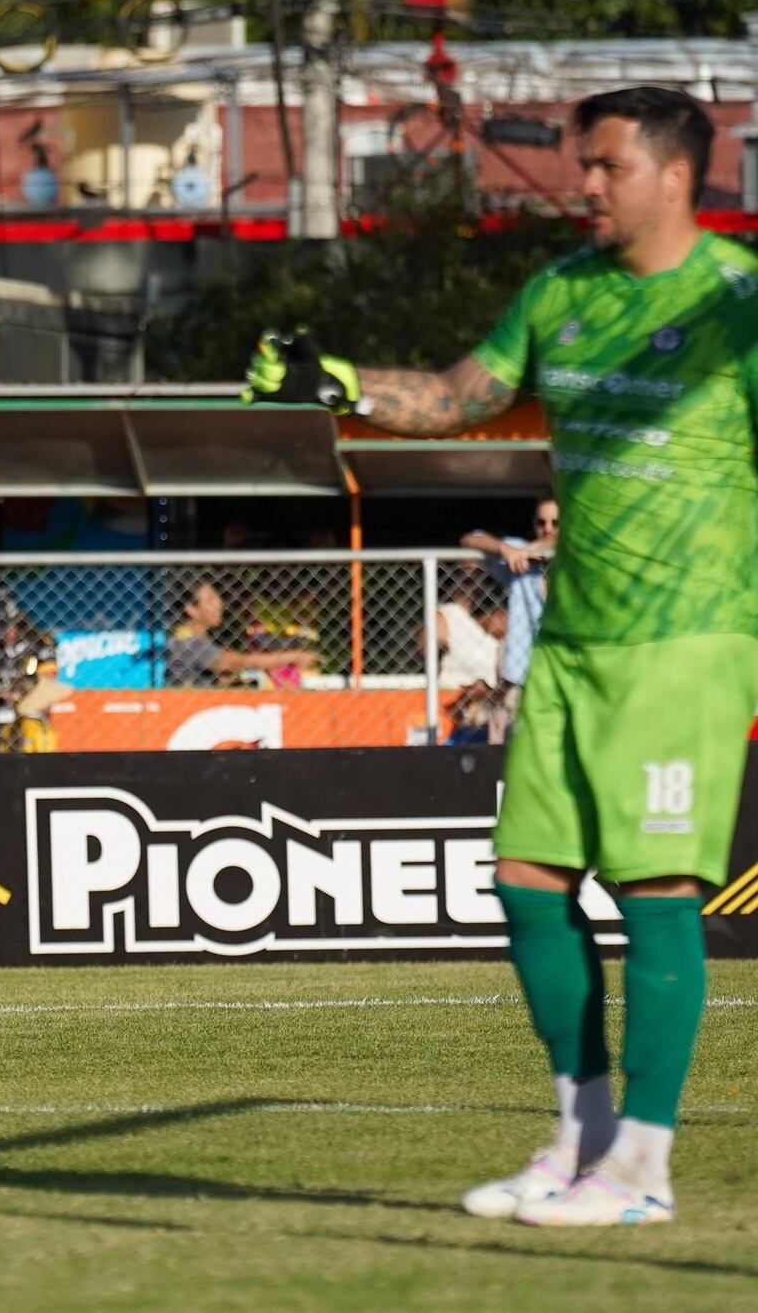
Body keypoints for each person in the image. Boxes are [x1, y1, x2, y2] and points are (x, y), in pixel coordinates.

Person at [244, 86, 749, 1226]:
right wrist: (339, 382)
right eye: (582, 164)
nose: (583, 185)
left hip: (687, 639)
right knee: (525, 878)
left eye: (606, 167)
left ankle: (641, 1171)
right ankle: (581, 1140)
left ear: (675, 175)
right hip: (570, 638)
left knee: (655, 887)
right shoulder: (558, 291)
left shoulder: (738, 304)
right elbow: (458, 394)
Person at [462, 496, 559, 739]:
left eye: (555, 523)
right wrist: (506, 550)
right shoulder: (521, 555)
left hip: (564, 672)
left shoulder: (576, 559)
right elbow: (470, 539)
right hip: (523, 677)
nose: (548, 529)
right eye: (541, 523)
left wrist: (539, 549)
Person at [164, 582, 319, 687]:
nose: (219, 604)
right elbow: (235, 662)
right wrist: (292, 657)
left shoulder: (198, 638)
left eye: (217, 598)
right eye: (210, 600)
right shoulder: (188, 641)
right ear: (191, 610)